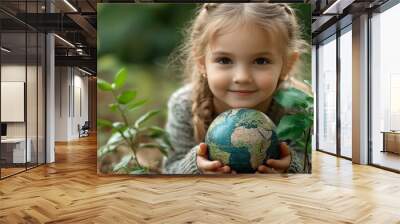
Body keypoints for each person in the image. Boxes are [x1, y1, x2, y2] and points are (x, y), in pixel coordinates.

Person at [163, 3, 309, 174]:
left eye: (261, 61)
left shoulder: (298, 110)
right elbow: (170, 168)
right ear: (201, 62)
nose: (242, 77)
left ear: (287, 65)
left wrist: (291, 168)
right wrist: (196, 168)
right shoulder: (184, 104)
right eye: (224, 60)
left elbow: (314, 167)